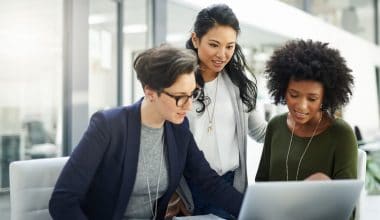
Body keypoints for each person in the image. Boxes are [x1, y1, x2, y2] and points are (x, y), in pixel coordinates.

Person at [49, 45, 243, 220]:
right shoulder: (108, 126)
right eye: (179, 97)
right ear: (150, 92)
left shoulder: (178, 128)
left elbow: (207, 181)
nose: (189, 106)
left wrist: (254, 210)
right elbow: (62, 201)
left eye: (192, 94)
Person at [174, 4, 267, 219]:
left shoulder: (240, 83)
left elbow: (260, 131)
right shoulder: (177, 82)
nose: (222, 55)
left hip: (228, 186)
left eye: (230, 46)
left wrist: (301, 125)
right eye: (214, 45)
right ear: (195, 39)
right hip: (185, 189)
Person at [255, 39, 357, 182]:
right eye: (294, 95)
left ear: (325, 98)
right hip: (274, 205)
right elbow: (261, 182)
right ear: (283, 90)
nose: (302, 106)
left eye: (312, 98)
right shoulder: (275, 126)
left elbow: (346, 200)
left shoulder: (341, 133)